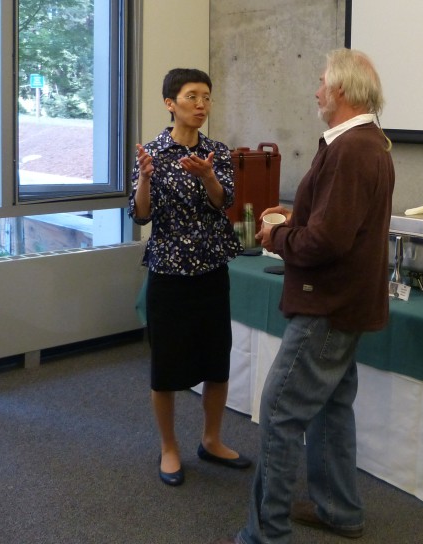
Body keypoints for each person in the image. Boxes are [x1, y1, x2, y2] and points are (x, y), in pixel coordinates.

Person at [212, 48, 395, 544]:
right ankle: (339, 510)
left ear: (341, 90)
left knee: (279, 413)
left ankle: (266, 534)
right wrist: (300, 218)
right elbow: (341, 224)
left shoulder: (351, 149)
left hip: (327, 306)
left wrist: (277, 236)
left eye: (321, 83)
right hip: (345, 303)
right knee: (331, 408)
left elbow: (328, 242)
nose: (316, 92)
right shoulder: (367, 143)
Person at [128, 67, 249, 487]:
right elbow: (141, 215)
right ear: (170, 103)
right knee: (166, 366)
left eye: (207, 97)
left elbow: (224, 202)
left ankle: (211, 440)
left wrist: (208, 176)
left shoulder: (217, 151)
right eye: (192, 96)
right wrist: (145, 179)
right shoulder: (152, 153)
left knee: (217, 361)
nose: (201, 105)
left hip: (211, 269)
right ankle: (169, 447)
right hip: (169, 273)